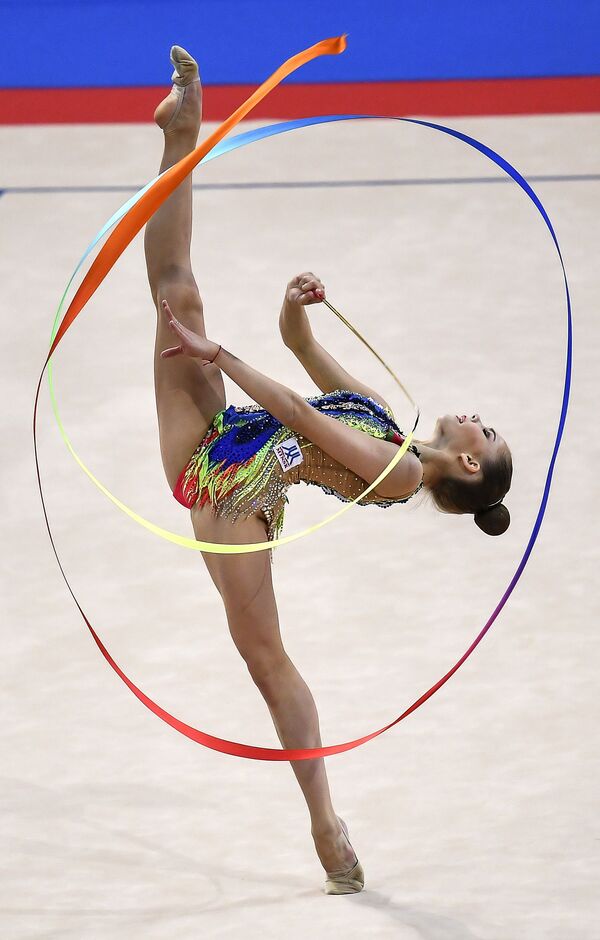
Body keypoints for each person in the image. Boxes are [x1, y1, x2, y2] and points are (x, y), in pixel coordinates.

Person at [144, 46, 513, 896]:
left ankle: (325, 824)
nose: (476, 415)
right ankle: (182, 133)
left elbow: (303, 419)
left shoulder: (394, 472)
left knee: (269, 664)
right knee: (177, 292)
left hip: (231, 495)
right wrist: (294, 300)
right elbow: (301, 353)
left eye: (485, 432)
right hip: (234, 433)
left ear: (465, 461)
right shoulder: (391, 419)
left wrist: (217, 352)